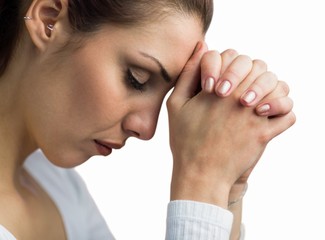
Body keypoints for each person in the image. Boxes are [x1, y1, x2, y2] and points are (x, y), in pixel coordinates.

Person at [0, 0, 296, 239]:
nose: (147, 128)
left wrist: (227, 188)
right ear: (49, 20)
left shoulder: (58, 188)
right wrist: (200, 180)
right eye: (137, 79)